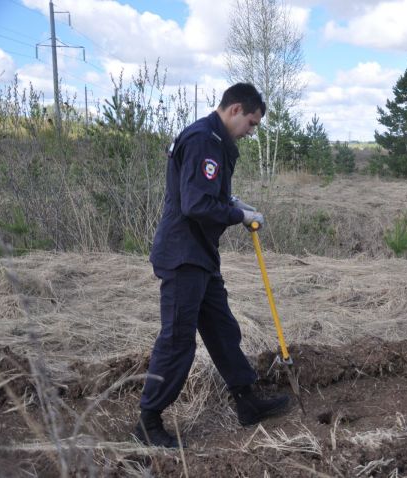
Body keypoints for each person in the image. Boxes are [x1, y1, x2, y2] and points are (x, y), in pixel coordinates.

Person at [134, 83, 289, 448]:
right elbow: (195, 204)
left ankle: (247, 400)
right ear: (235, 109)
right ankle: (148, 421)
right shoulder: (204, 140)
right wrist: (238, 214)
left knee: (222, 329)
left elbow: (210, 193)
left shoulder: (217, 142)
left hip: (200, 256)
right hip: (182, 256)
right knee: (177, 341)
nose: (251, 132)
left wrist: (237, 203)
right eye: (251, 123)